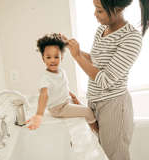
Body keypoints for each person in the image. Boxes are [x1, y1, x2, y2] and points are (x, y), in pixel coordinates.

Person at [62, 0, 149, 160]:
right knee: (102, 153)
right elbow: (96, 61)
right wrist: (74, 49)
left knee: (114, 157)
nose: (95, 14)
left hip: (114, 106)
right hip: (96, 102)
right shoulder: (102, 29)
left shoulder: (132, 38)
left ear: (118, 9)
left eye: (99, 10)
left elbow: (105, 80)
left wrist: (77, 56)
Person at [26, 33, 98, 133]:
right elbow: (44, 95)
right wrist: (39, 115)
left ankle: (91, 130)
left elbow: (63, 86)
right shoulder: (46, 78)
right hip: (58, 109)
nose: (53, 60)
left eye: (56, 57)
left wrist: (73, 97)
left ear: (62, 57)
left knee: (85, 107)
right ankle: (97, 133)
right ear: (43, 58)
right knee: (88, 112)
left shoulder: (61, 71)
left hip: (66, 102)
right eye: (48, 57)